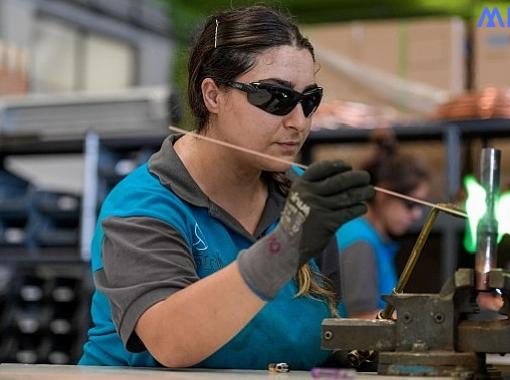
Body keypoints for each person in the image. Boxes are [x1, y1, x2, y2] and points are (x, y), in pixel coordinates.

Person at [79, 6, 374, 369]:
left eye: (308, 100)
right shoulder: (143, 205)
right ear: (213, 96)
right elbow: (171, 342)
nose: (298, 122)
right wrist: (285, 246)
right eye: (276, 97)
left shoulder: (299, 202)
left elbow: (320, 353)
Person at [337, 135, 431, 319]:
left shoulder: (371, 239)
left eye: (421, 205)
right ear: (383, 194)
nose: (416, 214)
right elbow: (358, 321)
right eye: (411, 204)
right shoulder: (359, 242)